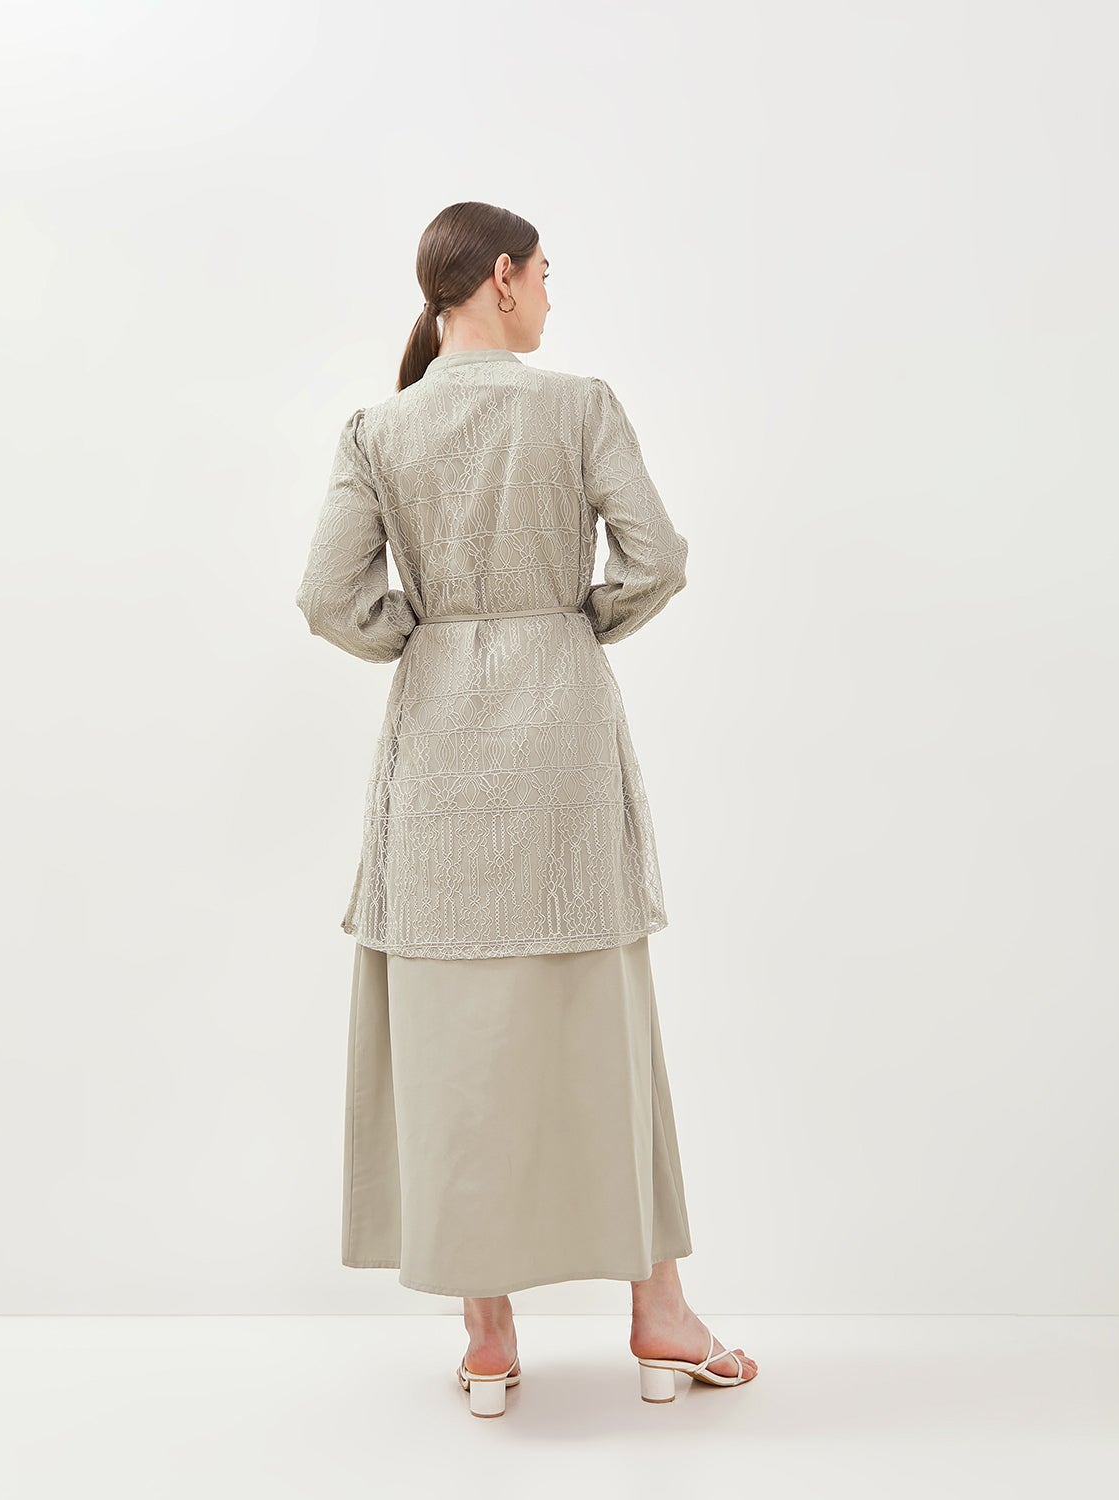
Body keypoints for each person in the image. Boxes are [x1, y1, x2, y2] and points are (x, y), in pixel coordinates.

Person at [295, 201, 757, 1415]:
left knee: (452, 1038)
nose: (552, 294)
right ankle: (659, 1315)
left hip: (440, 754)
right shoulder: (580, 407)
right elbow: (659, 558)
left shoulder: (379, 429)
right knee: (604, 1018)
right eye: (546, 273)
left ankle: (490, 1339)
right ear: (500, 277)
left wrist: (427, 636)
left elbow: (329, 598)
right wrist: (574, 624)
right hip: (563, 744)